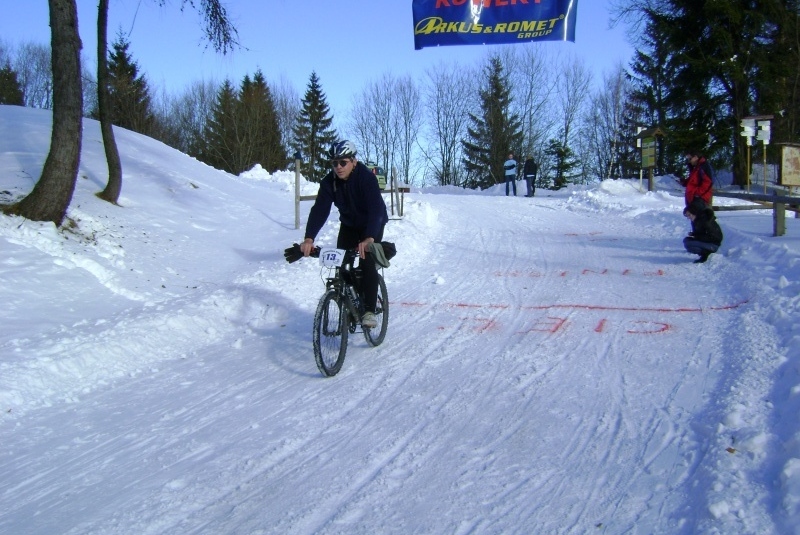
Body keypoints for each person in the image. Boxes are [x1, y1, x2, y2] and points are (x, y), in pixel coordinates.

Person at [300, 140, 389, 327]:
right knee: (341, 263)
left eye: (343, 162)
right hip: (349, 225)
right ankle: (350, 305)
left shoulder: (366, 178)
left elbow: (376, 210)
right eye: (334, 163)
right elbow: (320, 210)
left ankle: (369, 311)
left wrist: (369, 238)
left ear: (353, 161)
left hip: (372, 223)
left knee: (367, 261)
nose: (338, 167)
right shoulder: (329, 183)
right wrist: (309, 238)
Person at [683, 197, 723, 263]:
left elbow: (713, 237)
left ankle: (705, 253)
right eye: (687, 216)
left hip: (713, 244)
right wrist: (693, 234)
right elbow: (701, 233)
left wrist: (697, 237)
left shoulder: (705, 221)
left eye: (689, 215)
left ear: (694, 213)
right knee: (686, 241)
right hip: (707, 242)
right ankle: (704, 251)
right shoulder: (696, 220)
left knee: (689, 243)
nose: (688, 217)